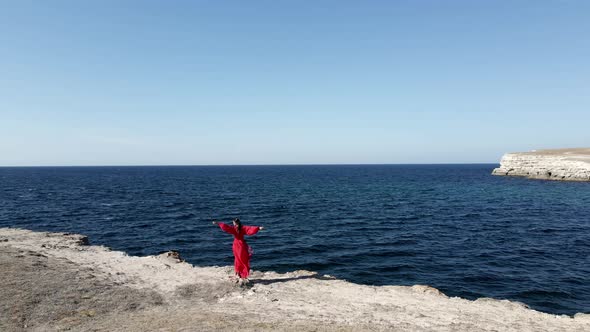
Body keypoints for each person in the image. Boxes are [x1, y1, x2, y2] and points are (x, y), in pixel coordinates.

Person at [212, 218, 264, 283]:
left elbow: (226, 227)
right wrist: (258, 228)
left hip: (236, 245)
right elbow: (250, 229)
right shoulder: (243, 228)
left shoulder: (234, 229)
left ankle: (238, 274)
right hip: (241, 244)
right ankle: (242, 274)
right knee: (243, 259)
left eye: (233, 223)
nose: (233, 224)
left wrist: (218, 223)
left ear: (234, 223)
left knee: (237, 259)